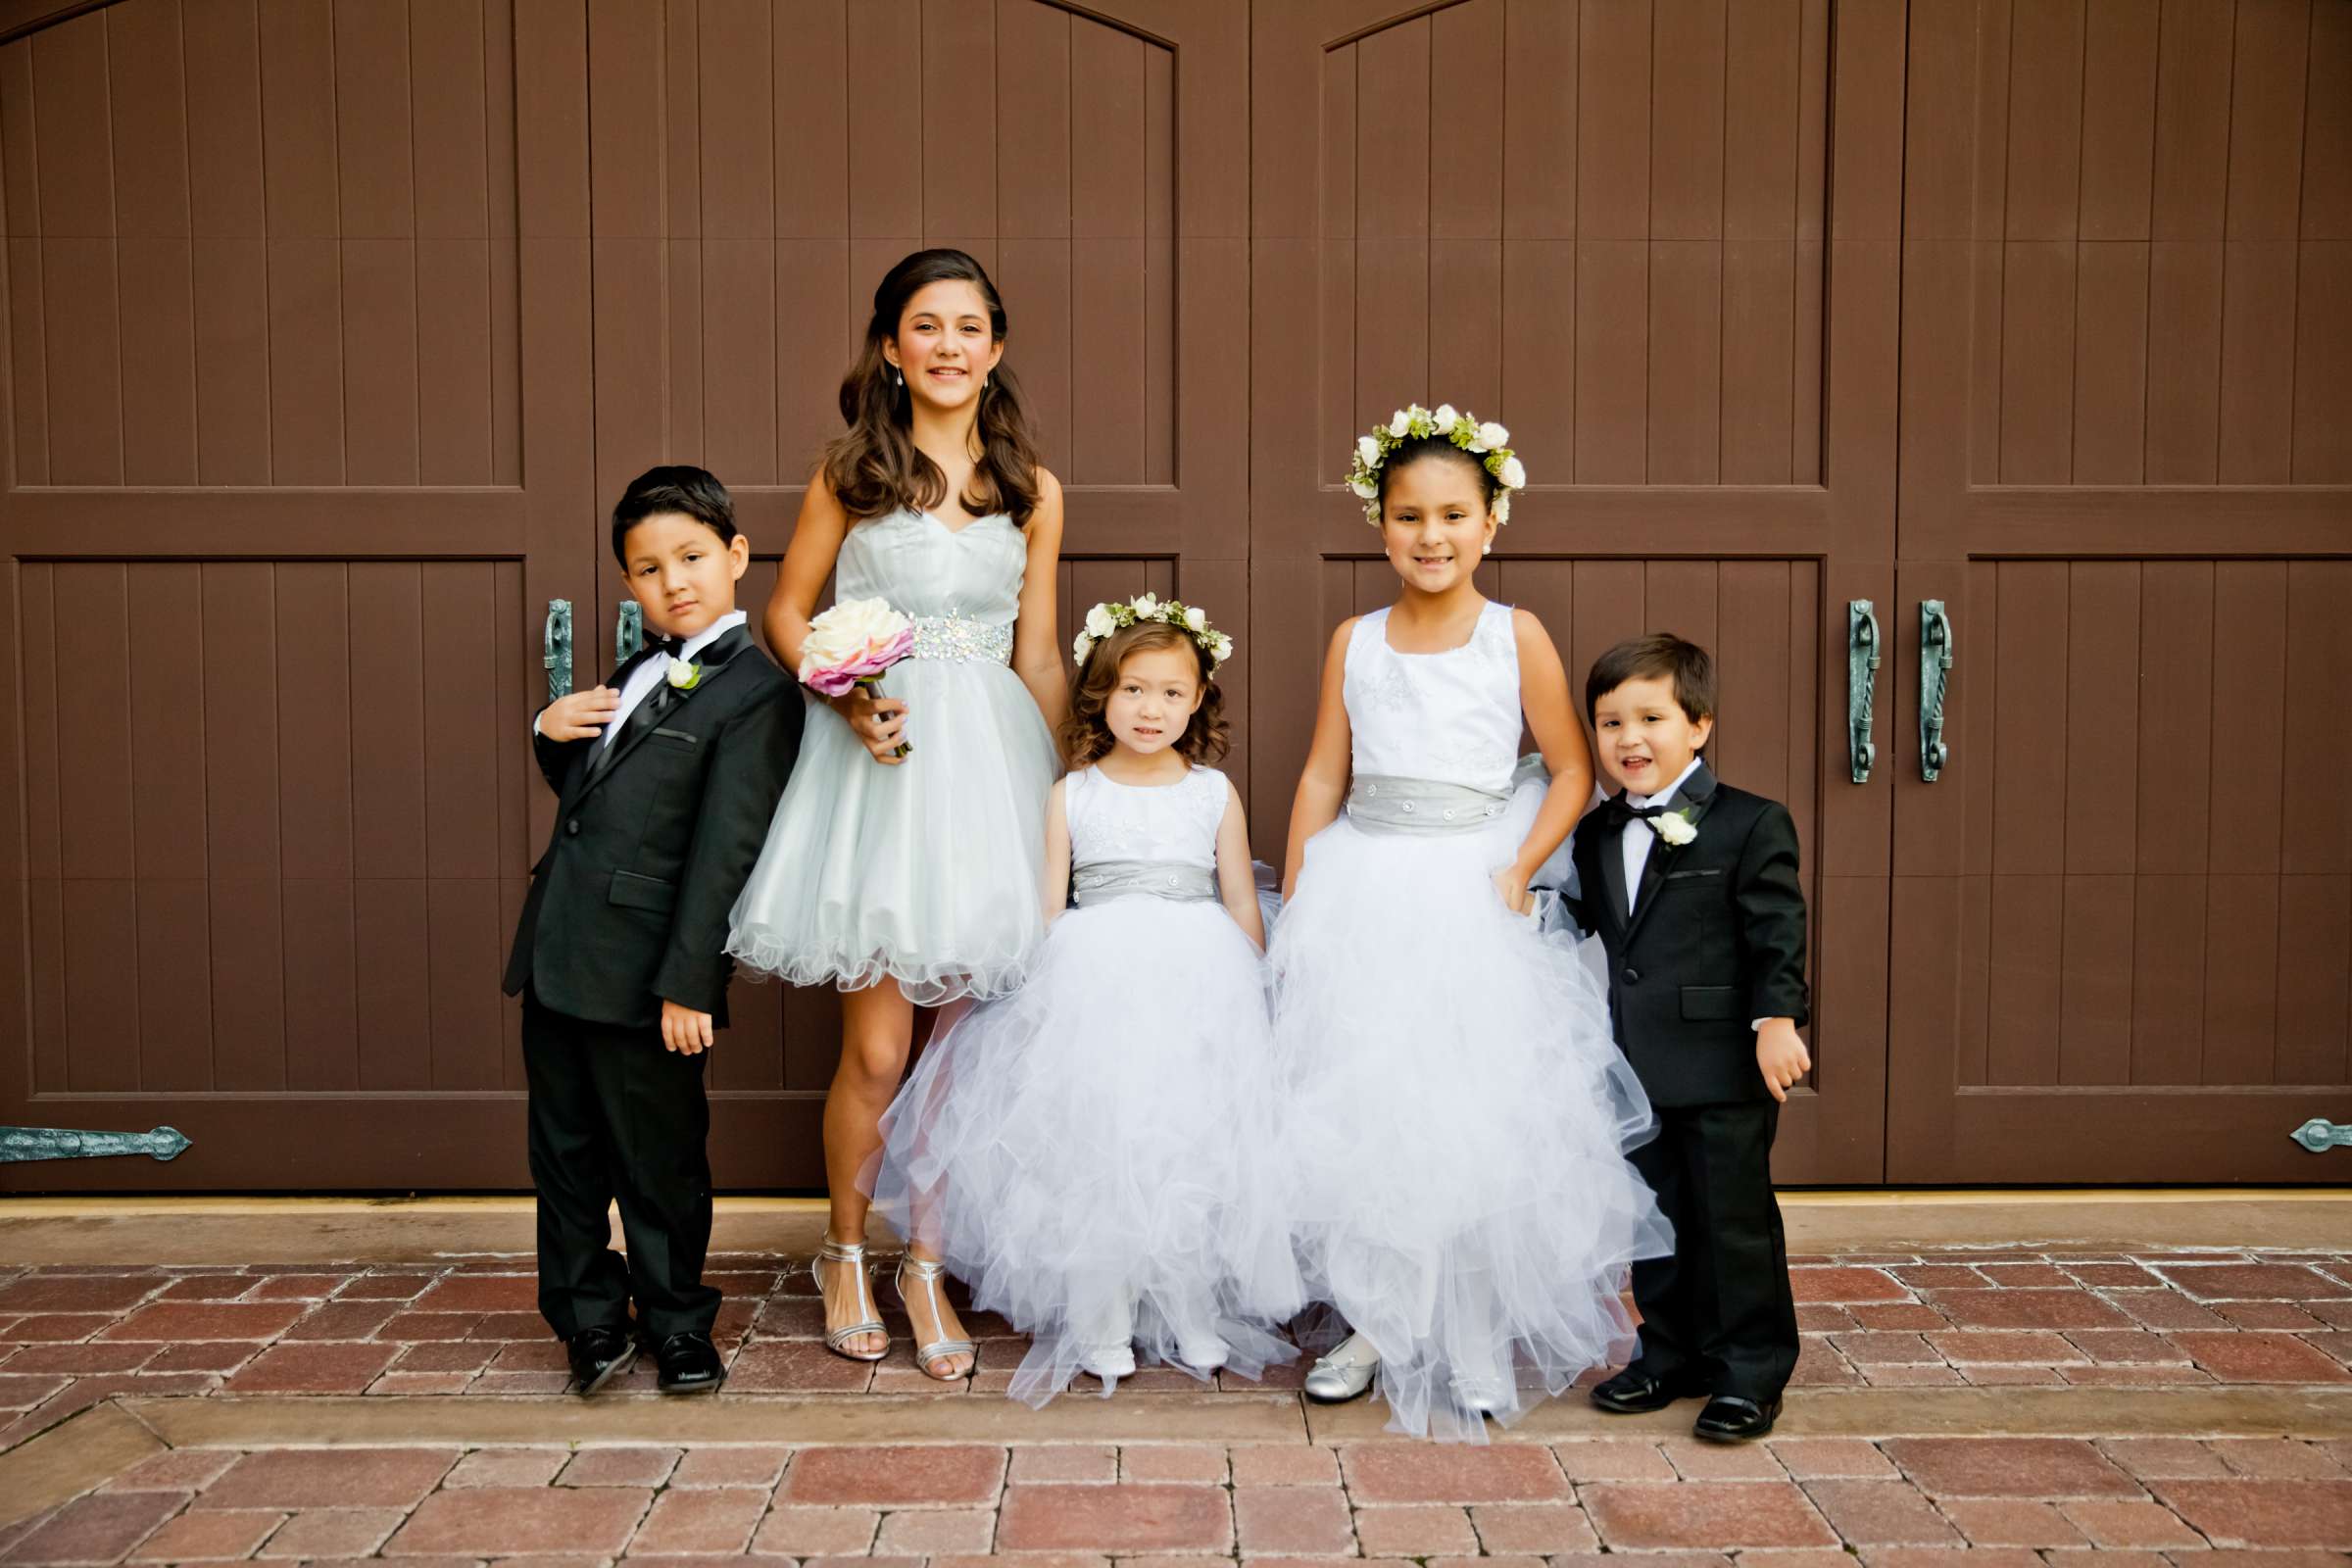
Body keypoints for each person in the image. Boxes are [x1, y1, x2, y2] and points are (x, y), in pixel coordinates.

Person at [1270, 405, 1670, 1441]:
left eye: (1454, 515)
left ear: (1492, 520)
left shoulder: (1515, 635)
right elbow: (1325, 770)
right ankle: (1375, 1321)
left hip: (1470, 888)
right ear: (1380, 524)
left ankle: (1477, 1330)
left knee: (1474, 1113)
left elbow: (1572, 766)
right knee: (1372, 1110)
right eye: (1409, 517)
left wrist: (1523, 867)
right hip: (1366, 887)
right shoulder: (1354, 641)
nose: (1432, 536)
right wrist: (1305, 890)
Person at [725, 249, 1064, 1381]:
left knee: (963, 1049)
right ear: (891, 345)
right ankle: (843, 1249)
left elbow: (1040, 650)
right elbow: (785, 611)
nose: (951, 346)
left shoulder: (1033, 489)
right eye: (928, 326)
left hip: (995, 769)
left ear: (996, 347)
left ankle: (926, 1264)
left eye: (971, 327)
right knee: (878, 1046)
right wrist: (846, 692)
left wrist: (1068, 792)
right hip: (883, 763)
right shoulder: (851, 474)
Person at [866, 600, 1299, 1401]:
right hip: (1092, 980)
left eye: (1172, 693)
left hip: (1198, 979)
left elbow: (1240, 898)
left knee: (1188, 1143)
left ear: (1199, 697)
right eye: (1134, 689)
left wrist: (1256, 988)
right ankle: (1100, 1311)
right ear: (1102, 694)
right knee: (1100, 1141)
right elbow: (1047, 903)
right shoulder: (1073, 793)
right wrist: (1027, 995)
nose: (1151, 709)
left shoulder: (1212, 794)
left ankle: (1187, 1305)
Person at [504, 465, 798, 1396]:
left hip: (647, 974)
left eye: (691, 557)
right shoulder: (635, 670)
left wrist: (689, 981)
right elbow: (599, 805)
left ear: (736, 557)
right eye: (648, 568)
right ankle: (588, 1319)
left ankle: (675, 1320)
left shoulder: (757, 694)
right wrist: (552, 735)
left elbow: (725, 851)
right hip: (559, 952)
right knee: (566, 1156)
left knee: (658, 1158)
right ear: (629, 584)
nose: (673, 580)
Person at [1572, 633, 1810, 1442]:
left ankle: (1750, 1369)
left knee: (1733, 1222)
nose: (1628, 739)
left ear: (1698, 725)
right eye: (1608, 723)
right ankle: (1669, 1351)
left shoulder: (1750, 823)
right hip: (1637, 1069)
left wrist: (1777, 1019)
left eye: (1650, 718)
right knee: (1658, 1219)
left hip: (1721, 1065)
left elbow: (1776, 933)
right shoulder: (1598, 833)